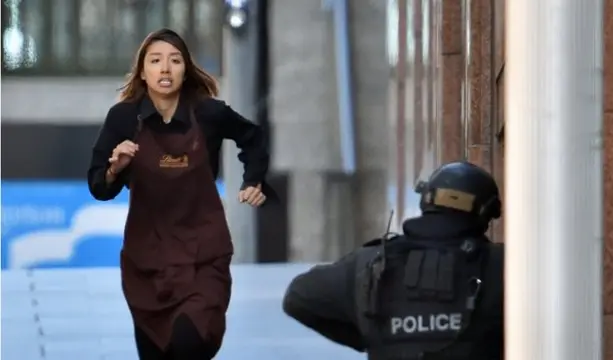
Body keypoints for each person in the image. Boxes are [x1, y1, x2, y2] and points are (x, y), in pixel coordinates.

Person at [87, 28, 273, 360]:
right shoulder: (123, 118)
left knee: (190, 342)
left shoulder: (209, 113)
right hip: (147, 264)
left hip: (204, 256)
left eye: (175, 60)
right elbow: (98, 186)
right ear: (142, 71)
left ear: (185, 69)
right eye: (155, 61)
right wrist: (116, 167)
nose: (165, 68)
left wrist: (252, 180)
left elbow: (254, 137)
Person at [282, 161, 504, 360]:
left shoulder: (372, 265)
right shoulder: (502, 266)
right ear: (486, 212)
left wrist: (369, 335)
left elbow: (298, 298)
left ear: (427, 201)